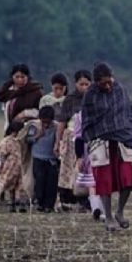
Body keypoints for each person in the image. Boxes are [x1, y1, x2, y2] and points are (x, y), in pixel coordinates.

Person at [81, 62, 132, 232]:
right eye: (103, 83)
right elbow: (89, 122)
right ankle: (108, 217)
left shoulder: (120, 90)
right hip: (101, 143)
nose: (108, 85)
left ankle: (120, 212)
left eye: (110, 81)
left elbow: (127, 113)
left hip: (122, 142)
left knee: (128, 180)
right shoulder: (90, 96)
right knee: (105, 182)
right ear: (96, 82)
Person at [55, 70, 92, 212]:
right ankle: (67, 200)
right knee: (68, 170)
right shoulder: (70, 99)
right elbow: (62, 122)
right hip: (71, 138)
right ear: (75, 84)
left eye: (87, 84)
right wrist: (57, 142)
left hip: (88, 138)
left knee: (85, 169)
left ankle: (86, 200)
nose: (84, 87)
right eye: (81, 84)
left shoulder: (94, 98)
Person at [28, 106, 59, 213]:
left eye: (48, 122)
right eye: (43, 122)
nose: (45, 124)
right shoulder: (34, 126)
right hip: (38, 158)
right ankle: (40, 203)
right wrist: (37, 136)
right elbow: (28, 140)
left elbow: (60, 139)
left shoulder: (56, 127)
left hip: (52, 159)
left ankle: (49, 205)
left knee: (51, 183)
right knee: (40, 180)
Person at [0, 63, 43, 133]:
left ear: (27, 77)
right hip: (10, 128)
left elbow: (41, 111)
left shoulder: (35, 91)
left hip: (30, 129)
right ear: (12, 77)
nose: (20, 80)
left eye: (22, 77)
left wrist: (25, 113)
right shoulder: (8, 91)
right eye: (17, 77)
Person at [0, 121, 26, 212]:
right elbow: (1, 154)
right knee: (11, 185)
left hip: (19, 167)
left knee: (21, 185)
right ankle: (12, 202)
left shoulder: (20, 141)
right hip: (10, 167)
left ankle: (22, 203)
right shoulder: (7, 141)